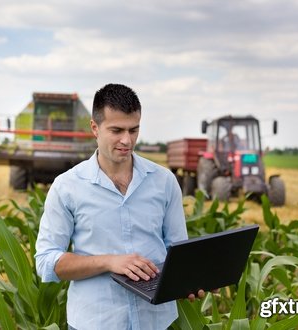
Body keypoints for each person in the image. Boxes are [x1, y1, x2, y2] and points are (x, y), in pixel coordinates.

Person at [35, 83, 203, 329]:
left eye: (134, 130)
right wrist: (109, 261)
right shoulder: (67, 187)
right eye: (116, 130)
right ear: (95, 127)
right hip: (95, 322)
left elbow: (176, 250)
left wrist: (189, 280)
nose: (127, 140)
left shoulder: (164, 181)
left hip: (156, 321)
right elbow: (47, 262)